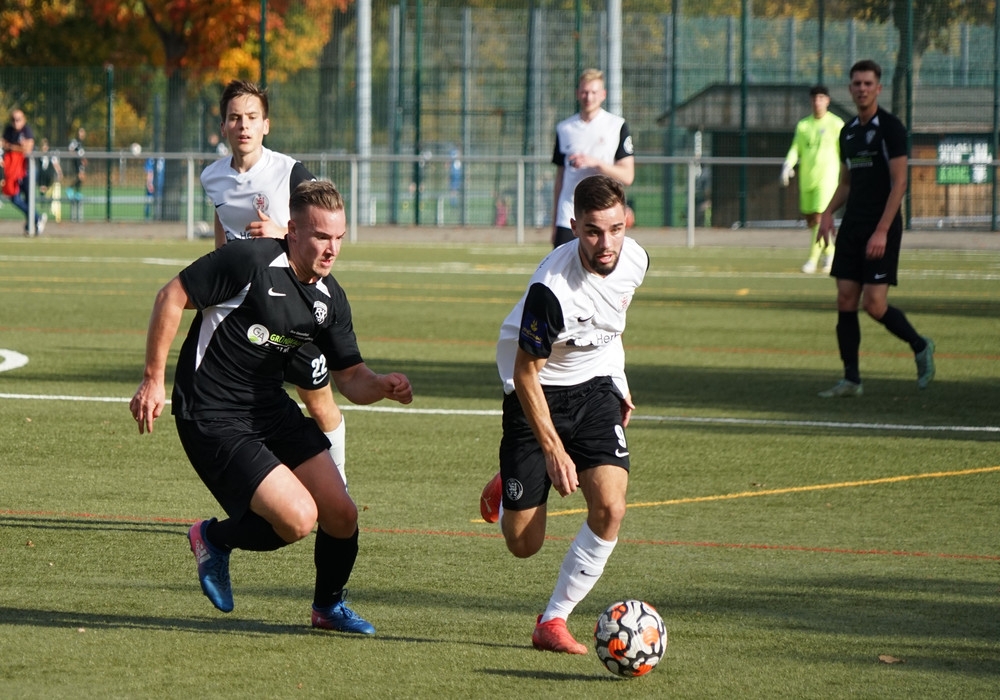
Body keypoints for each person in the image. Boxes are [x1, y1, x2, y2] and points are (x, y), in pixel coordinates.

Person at [128, 180, 413, 633]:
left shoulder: (329, 297)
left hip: (268, 409)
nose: (332, 249)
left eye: (339, 237)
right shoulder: (251, 260)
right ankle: (212, 537)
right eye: (321, 236)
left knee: (342, 513)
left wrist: (381, 385)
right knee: (298, 519)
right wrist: (152, 379)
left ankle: (327, 609)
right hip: (211, 411)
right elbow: (172, 295)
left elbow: (350, 378)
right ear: (292, 231)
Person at [480, 175, 648, 654]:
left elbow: (611, 323)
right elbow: (525, 373)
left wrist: (618, 379)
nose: (606, 243)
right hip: (536, 394)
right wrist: (553, 450)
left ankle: (553, 619)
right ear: (574, 227)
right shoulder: (551, 292)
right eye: (593, 231)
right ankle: (508, 482)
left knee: (611, 507)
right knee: (523, 544)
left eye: (615, 229)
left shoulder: (635, 260)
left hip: (594, 389)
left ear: (626, 221)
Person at [200, 80, 349, 487]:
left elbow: (327, 218)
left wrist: (281, 231)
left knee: (317, 399)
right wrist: (218, 273)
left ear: (266, 125)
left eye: (252, 117)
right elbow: (223, 222)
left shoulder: (289, 171)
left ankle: (339, 482)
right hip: (245, 312)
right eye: (235, 118)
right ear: (223, 125)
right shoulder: (212, 177)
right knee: (243, 401)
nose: (243, 125)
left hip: (293, 303)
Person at [816, 59, 934, 398]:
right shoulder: (848, 131)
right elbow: (846, 183)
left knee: (874, 304)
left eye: (868, 83)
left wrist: (882, 230)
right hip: (852, 225)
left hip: (881, 226)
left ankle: (920, 345)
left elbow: (900, 184)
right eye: (857, 83)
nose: (862, 89)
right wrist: (827, 213)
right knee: (845, 299)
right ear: (850, 88)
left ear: (878, 88)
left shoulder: (891, 128)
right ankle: (851, 379)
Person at [551, 68, 635, 247]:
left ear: (603, 94)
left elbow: (628, 176)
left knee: (600, 263)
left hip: (603, 216)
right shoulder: (564, 128)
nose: (588, 97)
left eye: (594, 92)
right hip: (568, 215)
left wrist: (597, 163)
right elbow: (560, 179)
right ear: (577, 94)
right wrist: (554, 223)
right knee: (563, 264)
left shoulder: (616, 126)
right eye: (584, 92)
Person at [781, 85, 844, 274]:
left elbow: (844, 151)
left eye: (821, 98)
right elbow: (796, 148)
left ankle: (812, 260)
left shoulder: (836, 124)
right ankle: (830, 252)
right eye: (815, 98)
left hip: (827, 179)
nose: (817, 102)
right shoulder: (803, 126)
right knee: (811, 219)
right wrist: (788, 164)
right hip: (807, 179)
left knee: (819, 217)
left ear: (827, 101)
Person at [1, 109, 46, 235]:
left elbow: (27, 149)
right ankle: (37, 218)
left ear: (23, 119)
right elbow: (2, 144)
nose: (15, 122)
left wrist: (11, 146)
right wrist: (17, 147)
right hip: (13, 171)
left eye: (18, 119)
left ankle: (30, 225)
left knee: (28, 199)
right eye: (13, 119)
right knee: (14, 198)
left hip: (27, 171)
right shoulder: (8, 130)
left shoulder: (27, 130)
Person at [37, 138, 63, 223]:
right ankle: (43, 205)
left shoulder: (51, 155)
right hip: (41, 175)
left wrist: (59, 172)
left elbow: (55, 164)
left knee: (50, 191)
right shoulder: (38, 155)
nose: (44, 147)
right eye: (43, 146)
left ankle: (50, 206)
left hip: (49, 175)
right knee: (42, 190)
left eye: (46, 146)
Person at [66, 127, 87, 221]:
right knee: (80, 176)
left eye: (82, 133)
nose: (81, 134)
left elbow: (81, 152)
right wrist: (76, 157)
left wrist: (84, 159)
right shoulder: (75, 141)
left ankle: (77, 192)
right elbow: (70, 149)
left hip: (80, 162)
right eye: (80, 132)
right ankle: (70, 189)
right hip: (77, 162)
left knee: (82, 177)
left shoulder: (81, 143)